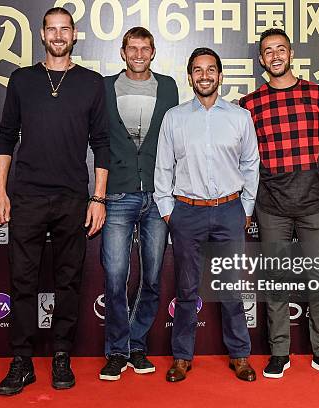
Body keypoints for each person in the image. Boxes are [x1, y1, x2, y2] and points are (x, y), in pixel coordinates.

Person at [0, 7, 109, 395]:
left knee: (68, 282)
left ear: (75, 35)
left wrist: (98, 197)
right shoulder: (22, 80)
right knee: (22, 281)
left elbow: (102, 145)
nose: (58, 36)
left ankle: (62, 354)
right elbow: (6, 136)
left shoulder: (91, 83)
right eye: (51, 29)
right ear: (42, 35)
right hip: (26, 197)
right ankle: (22, 360)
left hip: (73, 198)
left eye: (65, 30)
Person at [239, 28, 319, 380]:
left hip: (314, 203)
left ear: (292, 53)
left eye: (280, 49)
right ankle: (279, 352)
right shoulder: (249, 104)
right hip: (271, 206)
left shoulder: (318, 95)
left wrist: (309, 177)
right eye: (268, 51)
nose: (275, 55)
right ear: (261, 60)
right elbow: (246, 157)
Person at [154, 47, 260, 383]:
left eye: (210, 70)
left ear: (220, 75)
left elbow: (250, 165)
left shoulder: (240, 117)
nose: (204, 76)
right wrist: (170, 212)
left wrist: (245, 208)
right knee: (186, 290)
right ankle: (182, 357)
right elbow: (163, 167)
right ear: (190, 77)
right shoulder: (175, 118)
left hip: (230, 211)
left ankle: (240, 356)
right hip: (187, 212)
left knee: (231, 288)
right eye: (197, 70)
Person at [99, 27, 179, 381]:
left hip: (158, 196)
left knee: (151, 278)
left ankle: (137, 345)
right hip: (116, 195)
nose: (138, 54)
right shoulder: (103, 87)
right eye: (132, 48)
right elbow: (96, 138)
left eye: (145, 48)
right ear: (122, 52)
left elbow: (178, 136)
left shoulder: (169, 86)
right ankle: (116, 350)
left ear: (153, 52)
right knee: (115, 277)